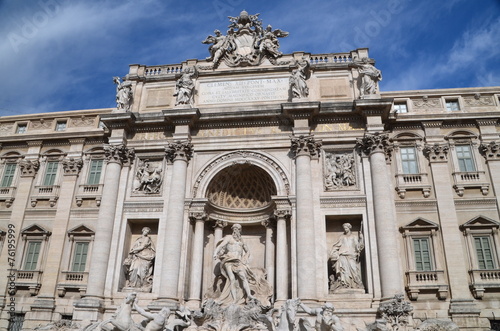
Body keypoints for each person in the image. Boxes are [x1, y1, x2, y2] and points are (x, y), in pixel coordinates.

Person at [213, 223, 256, 304]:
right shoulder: (229, 237)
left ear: (240, 230)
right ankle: (234, 299)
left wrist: (245, 257)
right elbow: (221, 246)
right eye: (235, 229)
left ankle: (249, 294)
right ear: (233, 229)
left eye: (238, 229)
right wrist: (215, 253)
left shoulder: (241, 240)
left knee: (243, 276)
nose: (236, 230)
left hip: (238, 261)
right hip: (228, 260)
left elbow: (248, 251)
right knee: (232, 279)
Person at [329, 223, 364, 290]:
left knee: (354, 270)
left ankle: (356, 284)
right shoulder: (342, 237)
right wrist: (333, 252)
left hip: (351, 255)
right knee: (343, 270)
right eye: (344, 228)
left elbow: (358, 247)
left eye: (346, 228)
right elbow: (336, 245)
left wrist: (361, 239)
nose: (345, 229)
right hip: (342, 255)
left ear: (349, 228)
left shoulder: (354, 237)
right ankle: (344, 284)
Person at [123, 227, 155, 291]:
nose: (146, 232)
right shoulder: (138, 239)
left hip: (144, 256)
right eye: (145, 231)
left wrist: (133, 250)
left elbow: (142, 246)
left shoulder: (147, 238)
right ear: (143, 231)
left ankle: (140, 285)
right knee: (135, 269)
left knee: (142, 271)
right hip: (137, 257)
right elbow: (135, 246)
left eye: (148, 232)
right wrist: (132, 253)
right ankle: (132, 284)